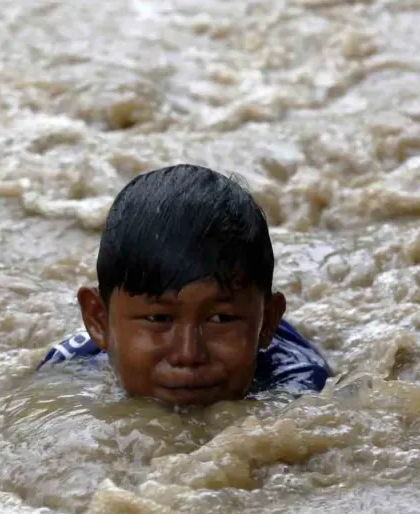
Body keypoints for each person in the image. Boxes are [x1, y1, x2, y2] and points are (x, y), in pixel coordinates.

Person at [38, 164, 331, 406]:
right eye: (158, 319)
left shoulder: (300, 387)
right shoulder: (68, 369)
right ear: (98, 321)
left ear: (267, 323)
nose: (188, 354)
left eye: (220, 319)